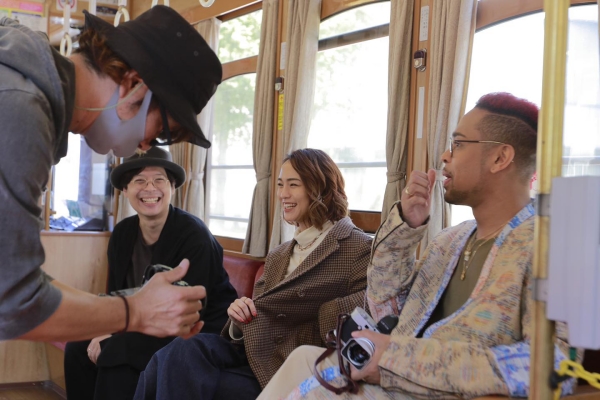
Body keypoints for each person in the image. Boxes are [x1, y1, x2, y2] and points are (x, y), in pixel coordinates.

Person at [258, 93, 578, 399]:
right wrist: (404, 232)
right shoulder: (449, 241)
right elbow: (385, 309)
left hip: (427, 390)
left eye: (458, 144)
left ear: (500, 158)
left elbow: (552, 364)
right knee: (302, 361)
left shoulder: (546, 248)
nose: (445, 156)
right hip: (387, 382)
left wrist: (396, 359)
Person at [0, 5, 221, 341]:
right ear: (133, 85)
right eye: (161, 131)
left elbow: (17, 280)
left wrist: (130, 307)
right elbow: (12, 304)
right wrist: (137, 312)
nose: (145, 146)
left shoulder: (21, 74)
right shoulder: (22, 110)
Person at [133, 148, 373, 400]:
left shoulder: (357, 247)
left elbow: (371, 311)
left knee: (169, 369)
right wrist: (240, 316)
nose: (283, 194)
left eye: (293, 185)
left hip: (287, 367)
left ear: (320, 188)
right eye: (280, 184)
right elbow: (256, 312)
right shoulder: (280, 253)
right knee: (176, 352)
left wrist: (320, 313)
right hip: (250, 351)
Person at [63, 147, 238, 400]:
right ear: (125, 190)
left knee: (116, 354)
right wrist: (108, 328)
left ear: (172, 188)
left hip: (194, 331)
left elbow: (187, 313)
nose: (150, 189)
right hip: (142, 324)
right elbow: (116, 296)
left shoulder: (194, 236)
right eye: (140, 181)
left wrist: (114, 338)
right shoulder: (122, 234)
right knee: (77, 348)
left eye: (159, 180)